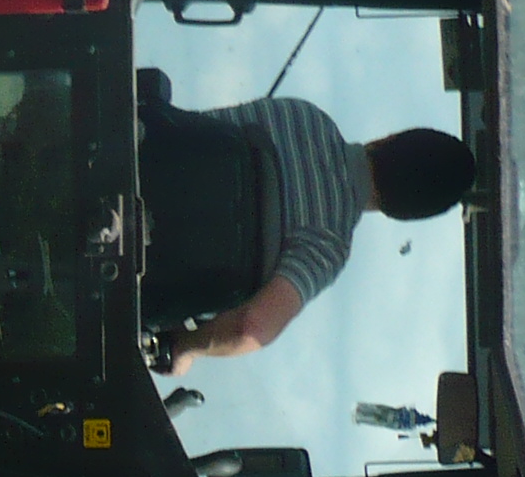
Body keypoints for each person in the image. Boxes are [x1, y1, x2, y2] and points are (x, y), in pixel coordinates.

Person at [164, 100, 474, 372]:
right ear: (400, 212)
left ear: (388, 139)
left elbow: (186, 131)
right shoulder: (329, 243)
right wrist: (184, 347)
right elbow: (251, 328)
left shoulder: (304, 115)